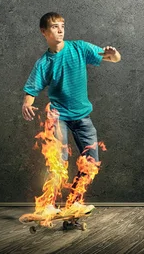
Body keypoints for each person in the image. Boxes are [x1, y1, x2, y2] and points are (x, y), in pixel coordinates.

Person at [21, 12, 121, 206]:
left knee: (90, 162)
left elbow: (113, 58)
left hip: (83, 117)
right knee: (59, 161)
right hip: (58, 118)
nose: (60, 30)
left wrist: (113, 52)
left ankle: (74, 204)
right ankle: (49, 205)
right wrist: (27, 103)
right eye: (54, 26)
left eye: (62, 26)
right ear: (44, 32)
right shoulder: (44, 63)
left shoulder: (79, 48)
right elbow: (31, 89)